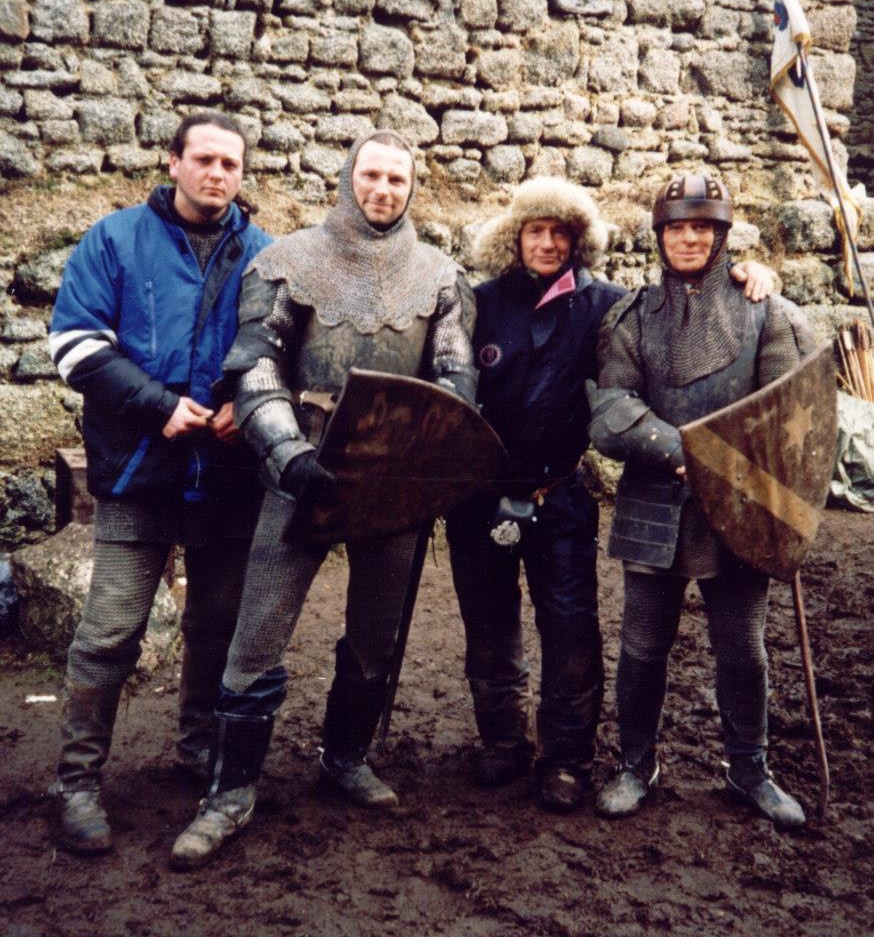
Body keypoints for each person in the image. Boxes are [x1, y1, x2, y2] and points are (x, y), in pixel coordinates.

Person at [170, 130, 478, 869]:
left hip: (393, 478)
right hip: (301, 467)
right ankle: (230, 791)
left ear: (411, 187)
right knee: (257, 633)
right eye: (371, 175)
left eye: (397, 179)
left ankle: (346, 757)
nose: (383, 189)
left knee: (377, 637)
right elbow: (256, 370)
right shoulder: (289, 262)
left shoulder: (440, 276)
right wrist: (287, 453)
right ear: (348, 177)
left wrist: (427, 452)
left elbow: (456, 377)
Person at [445, 177, 776, 814]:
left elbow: (684, 313)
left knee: (570, 628)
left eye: (560, 233)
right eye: (536, 231)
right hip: (480, 497)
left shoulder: (607, 305)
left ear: (579, 241)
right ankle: (503, 739)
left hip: (560, 494)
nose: (547, 243)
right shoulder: (480, 303)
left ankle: (566, 759)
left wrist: (750, 275)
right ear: (515, 236)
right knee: (487, 625)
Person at [47, 112, 271, 854]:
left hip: (228, 475)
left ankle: (198, 750)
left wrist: (249, 404)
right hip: (140, 469)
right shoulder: (115, 240)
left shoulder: (266, 255)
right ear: (172, 162)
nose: (217, 173)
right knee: (110, 629)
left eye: (230, 164)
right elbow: (75, 345)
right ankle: (77, 782)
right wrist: (158, 406)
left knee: (216, 625)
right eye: (203, 159)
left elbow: (282, 347)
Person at [589, 173, 813, 828]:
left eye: (702, 228)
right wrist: (684, 450)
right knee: (640, 646)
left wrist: (741, 473)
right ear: (659, 234)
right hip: (654, 502)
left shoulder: (766, 312)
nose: (688, 238)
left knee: (743, 648)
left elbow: (788, 414)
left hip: (741, 510)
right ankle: (637, 765)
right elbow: (611, 411)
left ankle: (750, 769)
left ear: (721, 235)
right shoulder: (631, 317)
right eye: (677, 227)